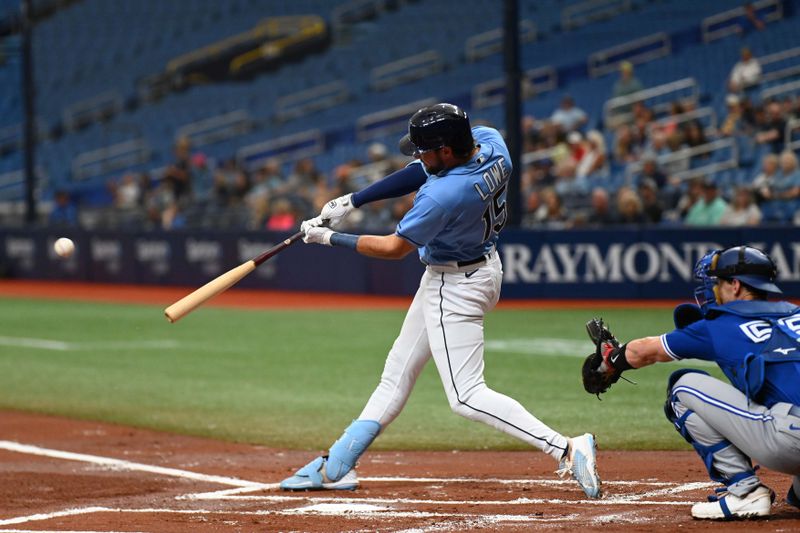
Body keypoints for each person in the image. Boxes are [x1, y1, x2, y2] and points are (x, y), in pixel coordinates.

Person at [280, 103, 601, 498]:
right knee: (397, 370)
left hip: (457, 285)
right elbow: (422, 169)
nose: (418, 156)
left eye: (425, 150)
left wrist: (328, 238)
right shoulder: (490, 141)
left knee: (466, 395)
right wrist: (354, 201)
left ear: (446, 151)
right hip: (476, 268)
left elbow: (394, 247)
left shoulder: (445, 195)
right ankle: (337, 466)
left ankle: (566, 448)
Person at [582, 245, 800, 519]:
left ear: (735, 285)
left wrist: (608, 362)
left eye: (717, 282)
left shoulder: (721, 325)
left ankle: (745, 492)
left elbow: (645, 351)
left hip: (791, 440)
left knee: (682, 387)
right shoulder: (795, 313)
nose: (712, 289)